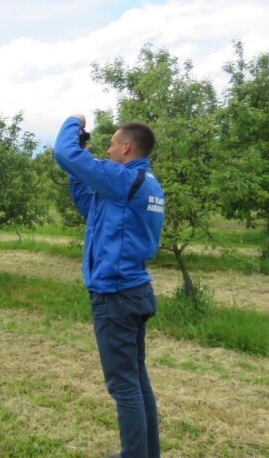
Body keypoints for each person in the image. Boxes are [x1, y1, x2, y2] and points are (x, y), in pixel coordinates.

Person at [53, 115, 165, 458]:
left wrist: (74, 122)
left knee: (123, 385)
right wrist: (80, 176)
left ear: (127, 147)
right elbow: (93, 209)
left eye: (113, 143)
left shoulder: (123, 178)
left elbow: (63, 151)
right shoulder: (148, 184)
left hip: (115, 295)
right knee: (135, 378)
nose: (108, 148)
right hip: (135, 291)